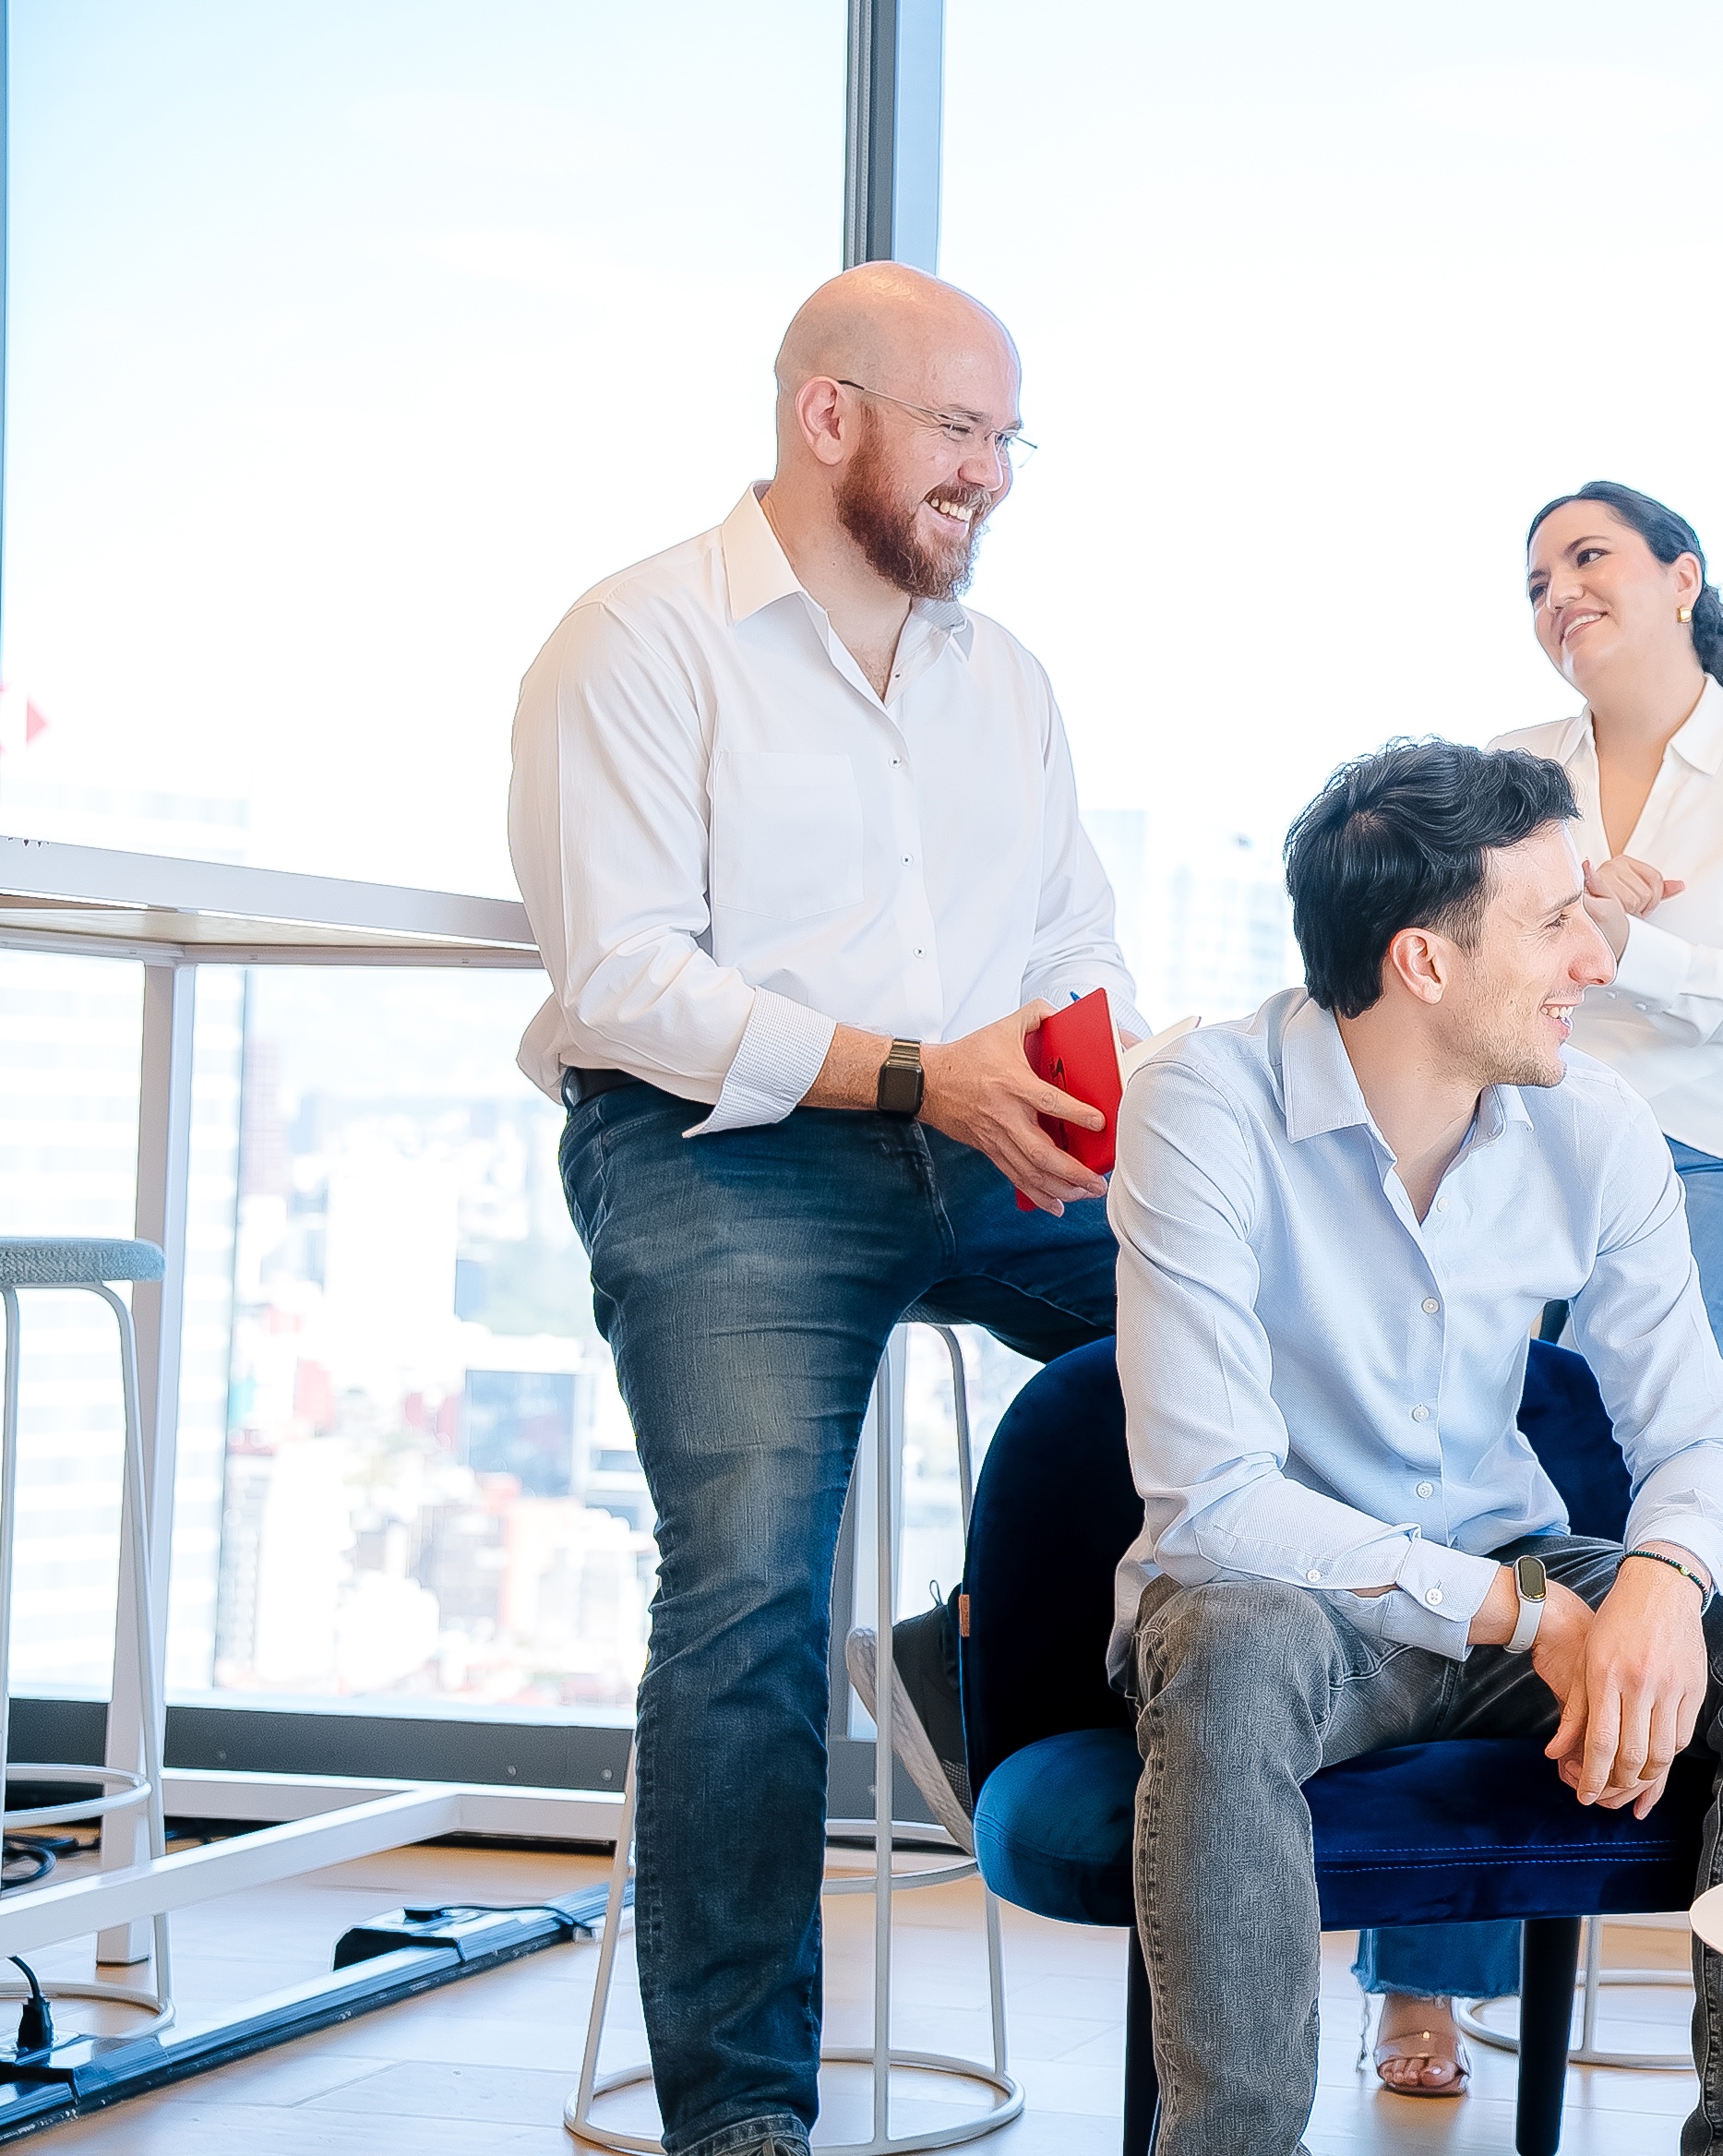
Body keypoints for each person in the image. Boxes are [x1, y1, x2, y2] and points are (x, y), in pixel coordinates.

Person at [509, 263, 1141, 2156]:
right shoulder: (635, 642)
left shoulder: (1003, 682)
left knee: (1228, 1329)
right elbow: (621, 979)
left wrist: (1065, 1100)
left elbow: (1073, 940)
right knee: (747, 1599)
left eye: (1010, 440)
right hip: (721, 1145)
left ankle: (978, 1661)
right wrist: (908, 1068)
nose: (993, 477)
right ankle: (745, 2120)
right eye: (963, 431)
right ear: (828, 414)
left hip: (979, 1133)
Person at [1110, 740, 1723, 2156]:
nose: (1598, 956)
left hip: (1509, 1570)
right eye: (1554, 921)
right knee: (1228, 1638)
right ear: (1422, 963)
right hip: (1291, 1611)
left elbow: (1699, 1438)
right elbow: (1214, 1504)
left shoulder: (1591, 1122)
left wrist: (1653, 1579)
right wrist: (1531, 1615)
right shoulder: (1202, 1105)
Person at [1358, 484, 1723, 2092]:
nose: (1558, 592)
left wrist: (1616, 937)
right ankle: (1432, 1943)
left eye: (1589, 559)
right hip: (1534, 1143)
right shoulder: (1516, 770)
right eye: (1533, 577)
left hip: (1720, 1160)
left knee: (1569, 1411)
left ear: (1680, 578)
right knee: (1446, 1411)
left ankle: (1587, 1804)